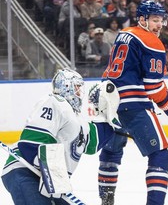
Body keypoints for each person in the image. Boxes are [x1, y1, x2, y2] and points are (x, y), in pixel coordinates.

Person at [99, 0, 168, 205]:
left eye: (162, 20)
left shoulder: (124, 34)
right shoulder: (151, 41)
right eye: (155, 20)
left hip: (110, 104)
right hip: (133, 104)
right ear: (142, 19)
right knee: (161, 157)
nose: (160, 25)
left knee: (111, 151)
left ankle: (106, 201)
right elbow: (153, 87)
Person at [1, 68, 122, 205]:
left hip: (50, 180)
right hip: (23, 170)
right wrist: (53, 176)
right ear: (66, 86)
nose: (79, 92)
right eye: (76, 87)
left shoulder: (77, 119)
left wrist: (108, 114)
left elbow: (92, 143)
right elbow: (30, 143)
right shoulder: (55, 102)